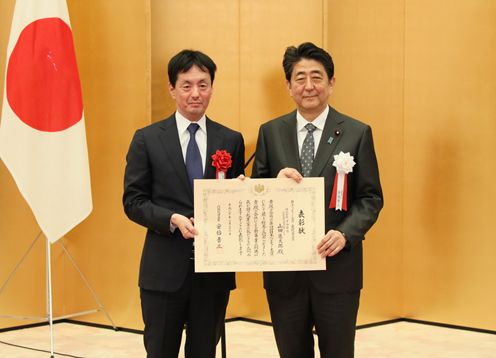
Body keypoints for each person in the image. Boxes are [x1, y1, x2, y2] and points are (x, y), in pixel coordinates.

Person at [251, 42, 383, 358]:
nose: (308, 86)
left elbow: (370, 197)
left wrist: (345, 234)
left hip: (337, 270)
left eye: (317, 77)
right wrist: (272, 185)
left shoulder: (356, 132)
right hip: (285, 273)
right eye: (300, 78)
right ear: (288, 85)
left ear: (331, 82)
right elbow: (255, 194)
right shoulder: (270, 132)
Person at [123, 49, 245, 358]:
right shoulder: (147, 139)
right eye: (186, 85)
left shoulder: (230, 140)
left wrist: (242, 193)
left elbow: (235, 201)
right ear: (172, 89)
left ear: (212, 88)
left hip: (213, 274)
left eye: (203, 85)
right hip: (163, 272)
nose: (195, 93)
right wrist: (172, 219)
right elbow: (133, 201)